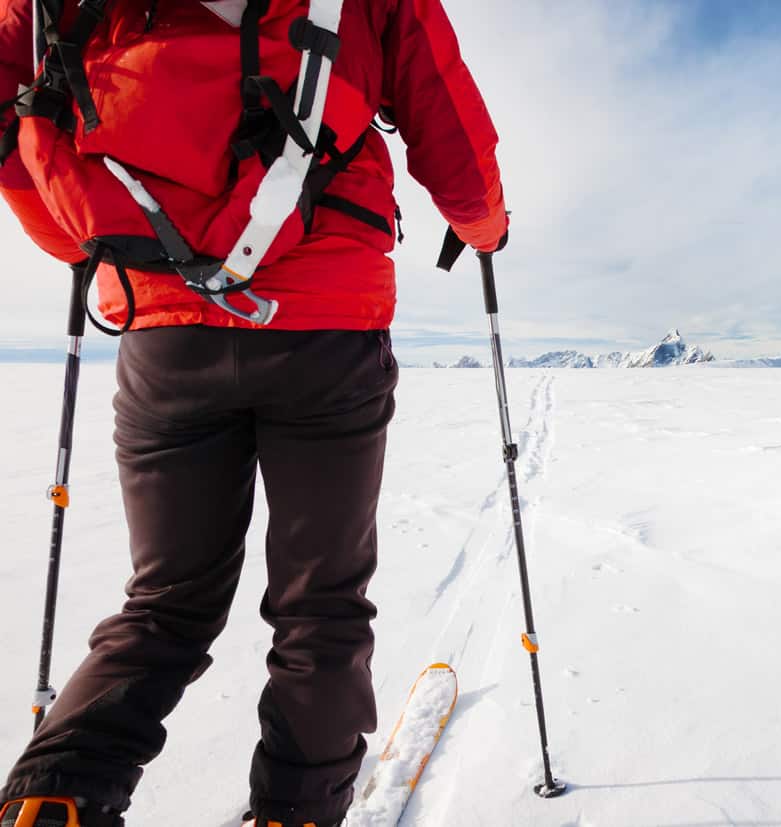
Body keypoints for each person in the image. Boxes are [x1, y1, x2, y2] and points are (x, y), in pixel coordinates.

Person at [0, 0, 507, 824]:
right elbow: (445, 115)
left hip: (164, 326)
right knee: (322, 603)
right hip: (327, 329)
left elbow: (13, 105)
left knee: (165, 601)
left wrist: (84, 234)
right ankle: (297, 811)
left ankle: (53, 800)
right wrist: (485, 227)